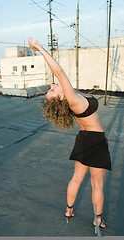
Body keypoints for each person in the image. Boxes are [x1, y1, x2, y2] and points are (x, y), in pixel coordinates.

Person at [28, 37, 111, 230]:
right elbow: (59, 71)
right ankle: (97, 220)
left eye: (50, 88)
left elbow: (60, 77)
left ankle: (69, 210)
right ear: (62, 97)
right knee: (97, 185)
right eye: (52, 90)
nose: (53, 86)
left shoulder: (70, 96)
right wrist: (40, 49)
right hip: (96, 142)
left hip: (83, 140)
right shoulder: (72, 100)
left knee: (76, 179)